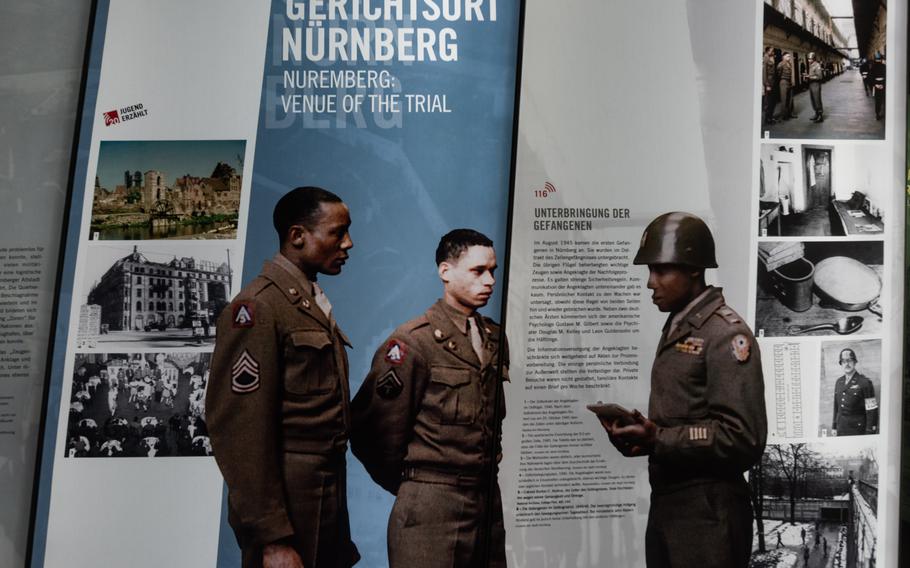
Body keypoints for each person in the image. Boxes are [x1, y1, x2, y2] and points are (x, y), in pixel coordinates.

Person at [600, 212, 767, 567]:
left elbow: (744, 438)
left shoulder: (725, 335)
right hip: (671, 508)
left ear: (694, 268)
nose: (651, 282)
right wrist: (643, 439)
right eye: (650, 271)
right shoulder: (681, 325)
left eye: (661, 271)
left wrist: (660, 438)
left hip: (708, 516)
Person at [206, 186, 359, 568]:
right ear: (297, 236)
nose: (348, 243)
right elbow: (240, 432)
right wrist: (271, 537)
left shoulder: (308, 302)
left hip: (325, 498)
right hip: (287, 508)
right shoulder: (258, 307)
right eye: (337, 233)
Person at [351, 229, 509, 568]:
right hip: (431, 511)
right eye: (478, 271)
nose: (490, 281)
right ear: (445, 272)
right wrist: (418, 487)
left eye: (493, 271)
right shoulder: (413, 342)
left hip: (485, 505)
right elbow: (371, 433)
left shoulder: (494, 338)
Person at [832, 348, 878, 436]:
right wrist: (834, 426)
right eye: (844, 361)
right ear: (841, 364)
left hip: (857, 430)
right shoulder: (839, 382)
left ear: (855, 362)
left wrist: (869, 432)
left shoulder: (865, 383)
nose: (847, 364)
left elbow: (872, 411)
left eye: (850, 360)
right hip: (841, 428)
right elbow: (836, 406)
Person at [805, 53, 824, 123]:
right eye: (808, 59)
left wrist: (809, 77)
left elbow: (819, 76)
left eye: (810, 59)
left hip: (816, 85)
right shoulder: (811, 65)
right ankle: (816, 114)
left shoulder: (817, 65)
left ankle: (820, 116)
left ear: (814, 58)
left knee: (817, 100)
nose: (808, 60)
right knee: (813, 100)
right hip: (811, 85)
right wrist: (807, 76)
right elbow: (812, 75)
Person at [762, 46, 778, 126]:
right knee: (768, 102)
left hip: (772, 82)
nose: (773, 52)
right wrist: (766, 84)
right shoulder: (765, 58)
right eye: (772, 51)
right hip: (769, 83)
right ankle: (767, 119)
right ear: (768, 51)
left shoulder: (770, 58)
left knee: (772, 101)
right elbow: (764, 72)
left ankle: (770, 116)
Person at [777, 53, 795, 120]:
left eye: (789, 56)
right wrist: (782, 80)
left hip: (789, 82)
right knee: (784, 99)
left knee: (790, 99)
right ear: (783, 57)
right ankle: (784, 116)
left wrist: (791, 82)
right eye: (788, 56)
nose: (789, 57)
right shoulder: (781, 64)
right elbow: (778, 74)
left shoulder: (789, 64)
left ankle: (790, 113)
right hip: (783, 82)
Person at [869, 53, 886, 120]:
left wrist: (875, 84)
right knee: (884, 99)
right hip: (883, 85)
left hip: (876, 86)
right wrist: (883, 84)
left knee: (877, 101)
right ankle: (886, 113)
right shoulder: (884, 66)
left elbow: (870, 78)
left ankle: (877, 114)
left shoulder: (872, 67)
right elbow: (886, 76)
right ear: (881, 59)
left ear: (875, 59)